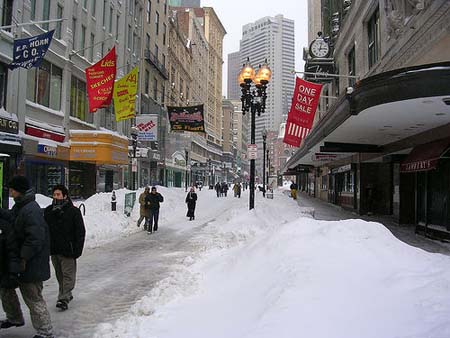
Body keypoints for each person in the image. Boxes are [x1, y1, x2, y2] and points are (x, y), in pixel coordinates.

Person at [0, 176, 54, 338]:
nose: (10, 193)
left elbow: (35, 239)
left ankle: (45, 331)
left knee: (32, 296)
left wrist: (23, 258)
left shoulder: (31, 209)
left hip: (31, 262)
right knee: (6, 289)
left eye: (12, 190)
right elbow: (13, 219)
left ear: (19, 191)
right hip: (19, 260)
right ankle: (14, 318)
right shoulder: (21, 206)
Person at [44, 185, 86, 312]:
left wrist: (77, 249)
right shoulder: (49, 211)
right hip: (54, 249)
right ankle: (66, 293)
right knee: (59, 275)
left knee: (68, 275)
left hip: (68, 250)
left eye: (58, 194)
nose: (56, 197)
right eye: (54, 194)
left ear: (65, 196)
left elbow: (80, 232)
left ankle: (63, 298)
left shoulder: (73, 212)